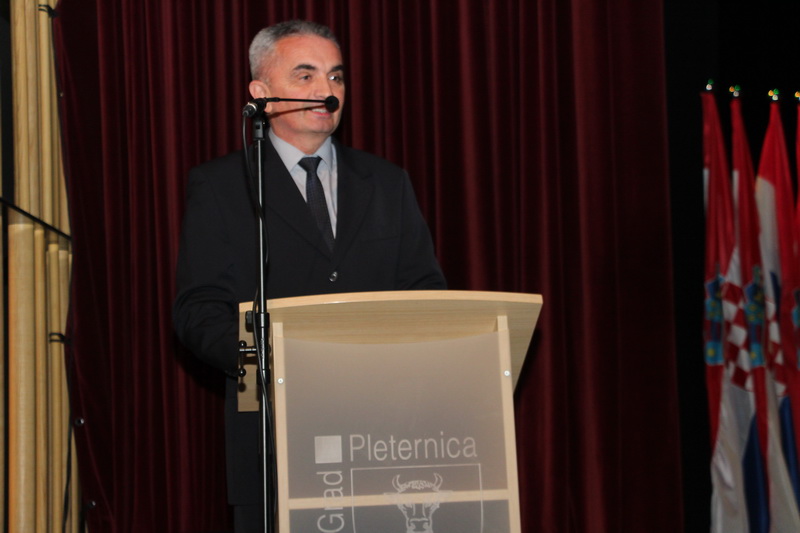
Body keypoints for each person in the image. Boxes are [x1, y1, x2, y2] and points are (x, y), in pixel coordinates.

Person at [172, 20, 446, 532]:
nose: (327, 90)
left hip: (386, 440)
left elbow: (425, 292)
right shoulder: (222, 186)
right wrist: (276, 362)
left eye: (336, 76)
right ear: (261, 94)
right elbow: (199, 311)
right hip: (274, 440)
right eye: (306, 75)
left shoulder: (387, 182)